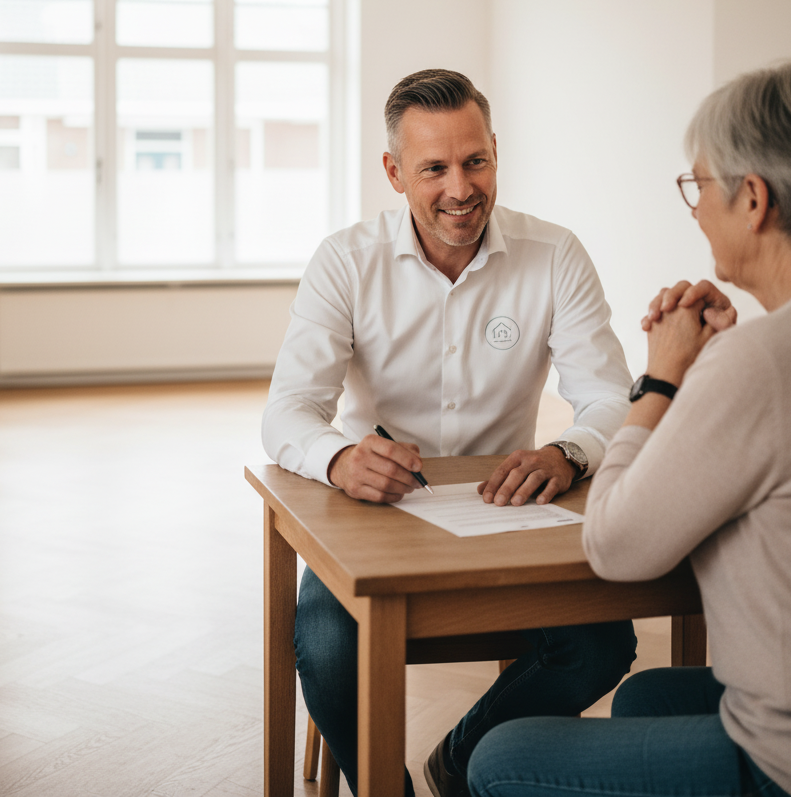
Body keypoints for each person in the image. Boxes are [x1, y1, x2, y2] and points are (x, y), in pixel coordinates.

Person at [261, 69, 638, 797]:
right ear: (394, 171)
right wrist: (337, 458)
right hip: (372, 518)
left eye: (476, 161)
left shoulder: (555, 253)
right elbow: (286, 412)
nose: (460, 188)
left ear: (496, 151)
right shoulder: (344, 260)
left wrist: (569, 451)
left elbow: (610, 401)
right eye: (434, 168)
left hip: (507, 515)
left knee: (601, 642)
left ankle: (461, 766)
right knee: (330, 645)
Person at [468, 62, 791, 797]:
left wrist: (665, 377)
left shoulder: (757, 362)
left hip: (781, 754)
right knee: (648, 696)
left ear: (753, 198)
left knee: (498, 758)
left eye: (698, 185)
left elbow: (615, 544)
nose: (693, 207)